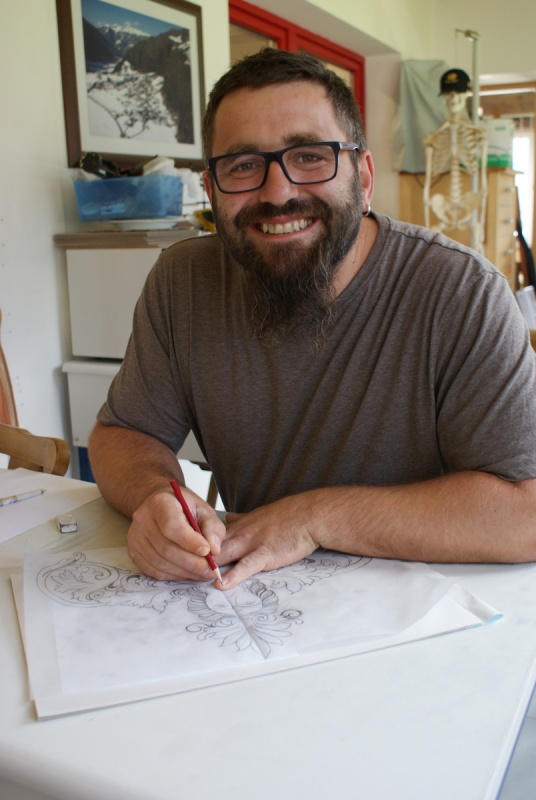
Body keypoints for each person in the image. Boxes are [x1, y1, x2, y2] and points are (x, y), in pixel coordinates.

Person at [88, 48, 536, 591]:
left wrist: (312, 519)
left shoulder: (461, 291)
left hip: (432, 609)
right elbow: (123, 434)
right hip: (251, 603)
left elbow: (526, 512)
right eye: (243, 165)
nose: (277, 192)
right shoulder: (182, 280)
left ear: (363, 178)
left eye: (309, 156)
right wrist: (158, 497)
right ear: (211, 190)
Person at [423, 68, 488, 253]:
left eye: (457, 94)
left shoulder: (477, 135)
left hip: (467, 205)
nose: (453, 100)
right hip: (442, 207)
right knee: (432, 209)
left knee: (476, 230)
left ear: (466, 95)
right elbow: (427, 185)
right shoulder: (434, 137)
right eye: (448, 95)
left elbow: (482, 183)